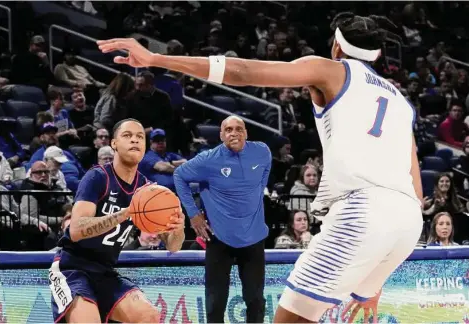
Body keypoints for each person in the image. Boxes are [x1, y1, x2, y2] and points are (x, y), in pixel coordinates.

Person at [97, 12, 424, 323]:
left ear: (337, 46)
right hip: (407, 220)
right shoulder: (398, 100)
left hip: (363, 211)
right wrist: (376, 273)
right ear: (378, 55)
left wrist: (156, 59)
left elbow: (243, 72)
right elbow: (416, 189)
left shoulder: (330, 70)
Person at [49, 118, 186, 323]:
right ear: (113, 143)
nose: (135, 140)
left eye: (140, 137)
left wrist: (178, 228)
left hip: (105, 271)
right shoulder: (97, 177)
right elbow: (76, 230)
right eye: (127, 135)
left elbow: (173, 246)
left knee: (149, 316)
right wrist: (125, 213)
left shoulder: (148, 191)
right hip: (72, 268)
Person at [173, 116, 272, 323]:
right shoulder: (208, 159)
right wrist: (193, 214)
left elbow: (263, 179)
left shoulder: (262, 152)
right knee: (215, 303)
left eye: (238, 129)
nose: (233, 133)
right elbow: (179, 176)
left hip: (254, 238)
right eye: (228, 130)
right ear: (221, 135)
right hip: (219, 239)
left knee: (255, 300)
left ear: (246, 133)